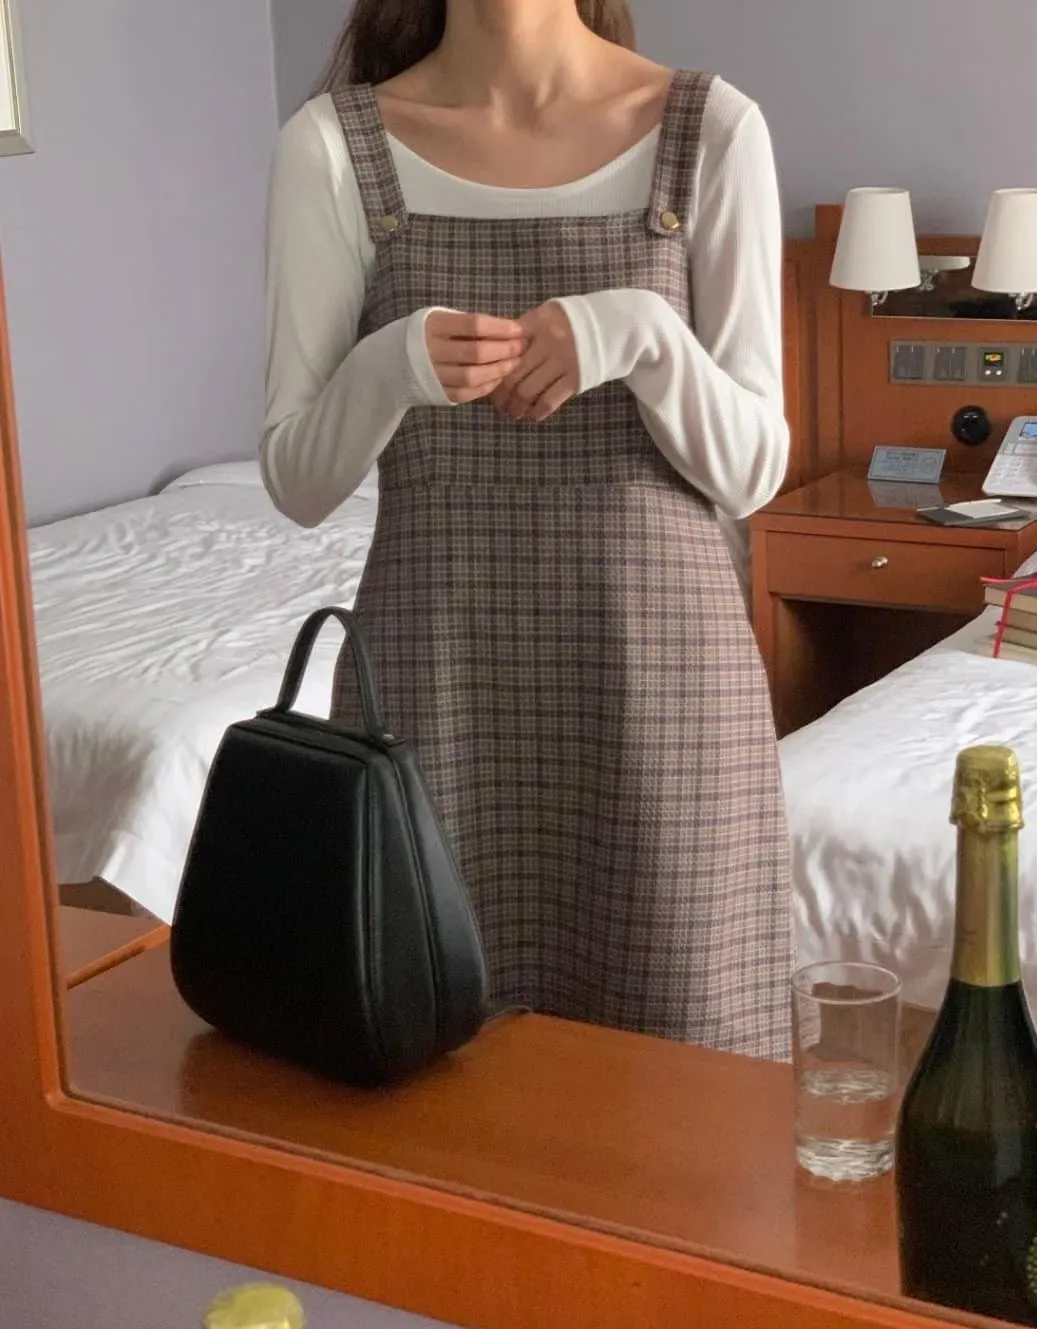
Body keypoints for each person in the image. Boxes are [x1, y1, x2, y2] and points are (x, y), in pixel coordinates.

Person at [260, 0, 794, 1058]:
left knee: (683, 1083)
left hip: (667, 695)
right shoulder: (330, 148)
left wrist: (643, 335)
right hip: (435, 688)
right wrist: (391, 364)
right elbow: (296, 478)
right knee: (441, 1062)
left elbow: (752, 471)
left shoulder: (713, 131)